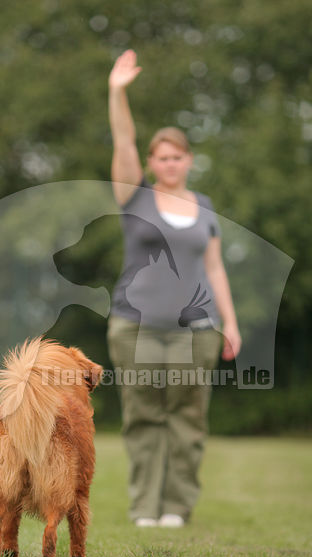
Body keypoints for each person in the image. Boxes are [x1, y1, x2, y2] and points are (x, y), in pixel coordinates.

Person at [107, 49, 241, 528]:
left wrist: (231, 324)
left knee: (187, 422)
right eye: (160, 157)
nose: (169, 164)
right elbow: (123, 140)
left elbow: (216, 269)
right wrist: (117, 91)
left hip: (196, 332)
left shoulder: (205, 208)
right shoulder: (134, 195)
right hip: (135, 328)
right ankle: (145, 507)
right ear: (150, 161)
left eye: (177, 157)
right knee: (143, 418)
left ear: (188, 161)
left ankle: (176, 509)